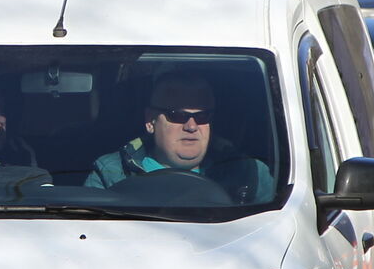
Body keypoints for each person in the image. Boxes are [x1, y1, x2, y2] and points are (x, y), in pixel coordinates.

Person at [85, 74, 275, 200]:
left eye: (202, 116)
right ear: (151, 121)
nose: (191, 126)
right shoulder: (111, 173)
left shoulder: (249, 174)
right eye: (178, 115)